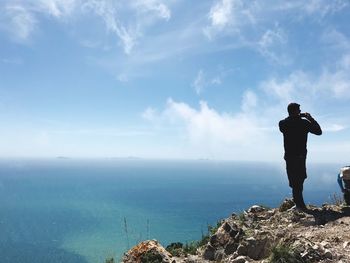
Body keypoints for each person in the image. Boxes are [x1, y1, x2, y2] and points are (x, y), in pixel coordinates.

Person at [279, 103, 322, 211]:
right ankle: (299, 205)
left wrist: (297, 116)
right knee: (299, 179)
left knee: (294, 180)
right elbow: (318, 131)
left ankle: (299, 204)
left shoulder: (283, 123)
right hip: (300, 156)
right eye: (299, 110)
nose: (300, 111)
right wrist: (310, 118)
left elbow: (288, 122)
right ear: (296, 111)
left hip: (289, 156)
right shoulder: (304, 123)